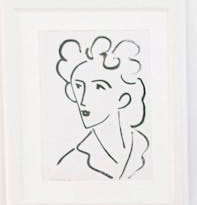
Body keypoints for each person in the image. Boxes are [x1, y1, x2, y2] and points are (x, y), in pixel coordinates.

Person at [55, 35, 149, 180]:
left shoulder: (147, 149)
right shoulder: (71, 164)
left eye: (99, 87)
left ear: (123, 99)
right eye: (79, 86)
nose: (84, 99)